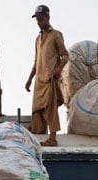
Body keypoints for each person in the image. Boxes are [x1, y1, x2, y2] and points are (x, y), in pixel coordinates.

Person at [26, 5, 69, 147]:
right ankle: (39, 136)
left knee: (50, 108)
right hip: (39, 81)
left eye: (41, 18)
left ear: (48, 18)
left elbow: (65, 55)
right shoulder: (38, 39)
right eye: (37, 19)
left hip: (50, 78)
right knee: (37, 112)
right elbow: (35, 61)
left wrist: (58, 70)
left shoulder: (56, 34)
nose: (39, 21)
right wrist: (29, 79)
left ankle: (53, 138)